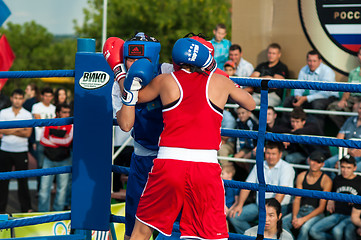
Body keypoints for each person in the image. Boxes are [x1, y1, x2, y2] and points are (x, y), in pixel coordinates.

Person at [123, 37, 255, 240]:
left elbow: (135, 97)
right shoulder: (220, 82)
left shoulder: (166, 81)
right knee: (210, 235)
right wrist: (214, 68)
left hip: (169, 164)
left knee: (142, 230)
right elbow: (251, 104)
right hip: (204, 166)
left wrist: (121, 75)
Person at [103, 32, 171, 240]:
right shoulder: (119, 83)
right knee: (133, 219)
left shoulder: (168, 71)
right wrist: (127, 87)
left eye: (139, 59)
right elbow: (125, 124)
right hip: (141, 156)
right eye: (130, 59)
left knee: (171, 221)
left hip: (170, 157)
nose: (133, 64)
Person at [228, 141, 295, 234]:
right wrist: (239, 205)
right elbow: (247, 186)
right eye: (268, 153)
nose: (270, 157)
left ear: (280, 154)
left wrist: (269, 211)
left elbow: (281, 193)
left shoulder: (287, 168)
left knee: (274, 224)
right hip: (259, 205)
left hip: (279, 207)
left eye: (273, 154)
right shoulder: (259, 165)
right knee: (234, 216)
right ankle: (253, 237)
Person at [283, 50, 338, 129]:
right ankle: (286, 131)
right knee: (288, 101)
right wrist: (298, 97)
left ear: (320, 61)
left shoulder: (327, 71)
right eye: (309, 61)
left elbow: (326, 93)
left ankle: (316, 133)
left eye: (314, 61)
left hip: (328, 98)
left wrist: (305, 98)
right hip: (310, 98)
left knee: (317, 104)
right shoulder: (303, 69)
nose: (311, 63)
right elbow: (298, 86)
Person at [282, 151, 332, 240]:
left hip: (316, 213)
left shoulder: (326, 180)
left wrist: (303, 220)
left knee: (305, 228)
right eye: (313, 160)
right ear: (309, 160)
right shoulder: (301, 176)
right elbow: (297, 199)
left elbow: (321, 208)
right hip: (301, 209)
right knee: (282, 223)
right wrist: (294, 217)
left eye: (318, 162)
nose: (315, 164)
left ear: (322, 164)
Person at [309, 155, 361, 240]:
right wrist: (330, 199)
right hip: (336, 214)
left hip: (351, 215)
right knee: (314, 231)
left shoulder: (359, 181)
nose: (345, 170)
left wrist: (355, 199)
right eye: (343, 167)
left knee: (337, 231)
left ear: (354, 168)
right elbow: (331, 193)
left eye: (349, 168)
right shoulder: (337, 179)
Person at [0, 89, 33, 213]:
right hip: (5, 150)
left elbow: (28, 133)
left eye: (20, 98)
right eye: (15, 98)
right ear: (11, 98)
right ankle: (0, 211)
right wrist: (19, 128)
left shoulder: (27, 114)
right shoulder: (3, 112)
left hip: (21, 151)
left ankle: (26, 209)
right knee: (2, 182)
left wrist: (8, 129)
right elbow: (0, 131)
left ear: (23, 100)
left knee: (23, 182)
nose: (17, 101)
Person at [38, 103, 73, 212]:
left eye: (68, 112)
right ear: (58, 113)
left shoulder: (71, 123)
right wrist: (60, 139)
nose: (67, 114)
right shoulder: (50, 121)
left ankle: (58, 216)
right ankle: (42, 215)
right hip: (48, 159)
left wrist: (51, 138)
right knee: (44, 189)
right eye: (64, 112)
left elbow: (67, 142)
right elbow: (42, 140)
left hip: (64, 160)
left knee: (62, 190)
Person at [324, 101, 361, 174]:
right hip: (346, 153)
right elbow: (338, 140)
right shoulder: (349, 120)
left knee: (352, 170)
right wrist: (348, 150)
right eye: (360, 108)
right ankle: (335, 185)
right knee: (326, 164)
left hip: (359, 157)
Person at [328, 47, 361, 128]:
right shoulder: (353, 72)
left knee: (357, 110)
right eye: (360, 54)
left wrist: (359, 104)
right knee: (332, 109)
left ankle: (356, 133)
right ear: (358, 56)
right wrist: (343, 100)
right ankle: (346, 131)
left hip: (360, 101)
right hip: (351, 99)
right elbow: (347, 89)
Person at [31, 87, 56, 170]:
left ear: (52, 97)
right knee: (40, 165)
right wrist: (51, 124)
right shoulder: (36, 106)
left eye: (50, 96)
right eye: (46, 96)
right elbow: (39, 123)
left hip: (52, 138)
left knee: (53, 164)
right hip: (40, 139)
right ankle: (39, 183)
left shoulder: (54, 108)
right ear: (42, 96)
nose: (48, 98)